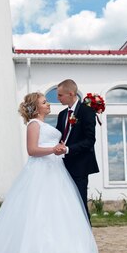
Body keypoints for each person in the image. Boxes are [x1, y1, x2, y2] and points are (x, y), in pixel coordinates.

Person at [0, 92, 102, 253]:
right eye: (44, 102)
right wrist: (53, 150)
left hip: (56, 171)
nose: (48, 104)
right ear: (36, 107)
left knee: (58, 215)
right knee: (37, 213)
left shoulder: (49, 125)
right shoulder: (34, 125)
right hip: (41, 171)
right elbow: (32, 150)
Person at [56, 79, 99, 221]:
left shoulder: (87, 112)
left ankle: (87, 238)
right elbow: (59, 136)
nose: (58, 98)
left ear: (71, 93)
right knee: (65, 204)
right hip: (62, 167)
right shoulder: (62, 115)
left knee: (80, 203)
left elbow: (90, 140)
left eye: (60, 95)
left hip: (80, 166)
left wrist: (68, 149)